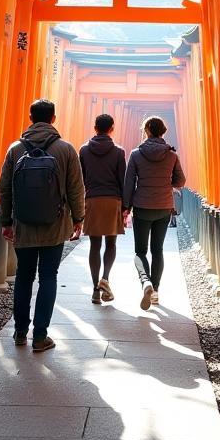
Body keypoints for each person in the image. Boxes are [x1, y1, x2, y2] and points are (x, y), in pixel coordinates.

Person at [0, 99, 84, 352]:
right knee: (48, 277)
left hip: (23, 223)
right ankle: (40, 337)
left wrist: (6, 220)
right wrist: (78, 218)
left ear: (30, 117)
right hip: (55, 224)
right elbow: (76, 188)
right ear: (53, 119)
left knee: (24, 276)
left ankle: (19, 333)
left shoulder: (15, 149)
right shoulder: (66, 149)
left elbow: (4, 188)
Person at [123, 116, 186, 310]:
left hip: (142, 207)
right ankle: (156, 291)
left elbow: (128, 183)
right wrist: (167, 185)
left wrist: (126, 208)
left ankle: (146, 282)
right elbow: (181, 181)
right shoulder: (172, 155)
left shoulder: (135, 154)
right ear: (163, 132)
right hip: (164, 207)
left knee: (140, 251)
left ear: (147, 130)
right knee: (157, 250)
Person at [78, 113, 127, 305]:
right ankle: (105, 279)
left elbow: (79, 179)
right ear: (112, 128)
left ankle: (95, 290)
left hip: (92, 199)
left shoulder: (83, 150)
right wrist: (126, 206)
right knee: (111, 244)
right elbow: (122, 180)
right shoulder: (118, 152)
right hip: (112, 199)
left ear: (95, 127)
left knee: (94, 245)